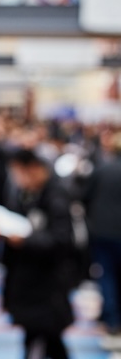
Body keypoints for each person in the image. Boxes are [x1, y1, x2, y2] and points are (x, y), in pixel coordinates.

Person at [3, 148, 76, 359]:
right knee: (40, 339)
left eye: (18, 173)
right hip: (31, 285)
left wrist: (25, 240)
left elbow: (62, 240)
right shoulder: (28, 195)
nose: (16, 180)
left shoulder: (56, 197)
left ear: (33, 169)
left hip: (48, 285)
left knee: (47, 340)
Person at [82, 132, 121, 345]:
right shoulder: (102, 169)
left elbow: (84, 196)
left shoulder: (102, 170)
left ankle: (112, 320)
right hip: (106, 231)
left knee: (106, 276)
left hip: (103, 231)